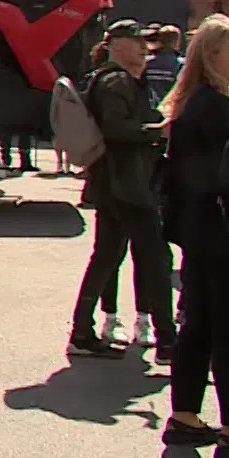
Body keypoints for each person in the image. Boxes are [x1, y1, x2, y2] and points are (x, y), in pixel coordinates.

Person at [157, 15, 229, 458]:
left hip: (197, 231)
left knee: (200, 326)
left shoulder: (192, 102)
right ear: (211, 56)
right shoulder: (217, 107)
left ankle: (186, 416)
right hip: (222, 234)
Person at [67, 20, 176, 359]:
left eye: (147, 43)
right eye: (137, 42)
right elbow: (115, 128)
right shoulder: (116, 80)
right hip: (127, 184)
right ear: (113, 44)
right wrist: (157, 131)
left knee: (108, 257)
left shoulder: (115, 78)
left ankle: (82, 332)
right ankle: (168, 341)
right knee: (156, 259)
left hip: (115, 183)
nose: (145, 48)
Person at [146, 24, 186, 108]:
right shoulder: (181, 64)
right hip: (170, 110)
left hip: (148, 109)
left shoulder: (145, 63)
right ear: (176, 42)